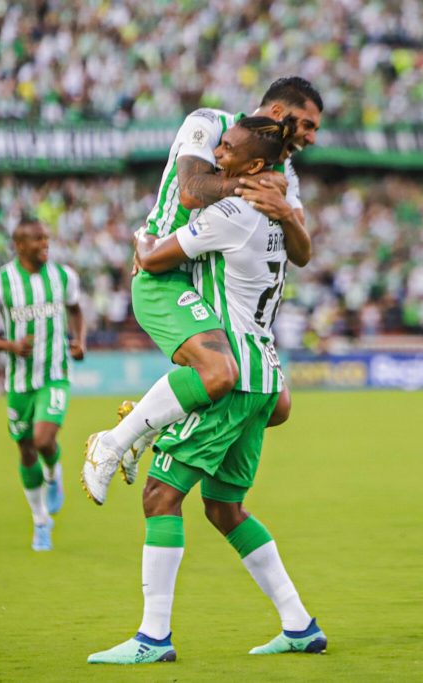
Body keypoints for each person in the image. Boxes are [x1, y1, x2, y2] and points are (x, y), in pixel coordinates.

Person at [87, 117, 325, 664]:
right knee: (224, 507)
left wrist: (140, 239)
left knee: (160, 496)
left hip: (233, 375)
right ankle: (299, 624)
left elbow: (155, 258)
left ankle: (152, 639)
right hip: (265, 373)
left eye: (229, 149)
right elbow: (299, 250)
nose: (216, 151)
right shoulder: (275, 215)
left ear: (257, 165)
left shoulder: (231, 212)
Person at [82, 77, 323, 503]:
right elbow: (192, 191)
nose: (311, 136)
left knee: (276, 404)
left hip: (210, 282)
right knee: (220, 373)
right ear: (281, 114)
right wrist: (250, 186)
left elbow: (299, 247)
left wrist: (282, 207)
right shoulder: (210, 124)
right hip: (163, 267)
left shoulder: (283, 170)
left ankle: (148, 423)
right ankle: (114, 442)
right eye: (307, 124)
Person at [0, 217, 86, 551]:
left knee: (42, 438)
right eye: (37, 239)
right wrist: (9, 346)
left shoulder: (63, 276)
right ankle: (40, 522)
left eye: (46, 238)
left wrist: (79, 340)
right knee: (25, 448)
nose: (44, 244)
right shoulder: (0, 282)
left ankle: (54, 475)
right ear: (19, 245)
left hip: (55, 374)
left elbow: (76, 311)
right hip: (19, 383)